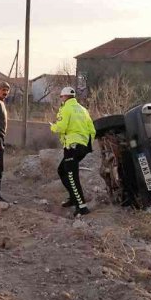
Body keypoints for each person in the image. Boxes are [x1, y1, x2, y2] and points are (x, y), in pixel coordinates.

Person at [50, 87, 96, 217]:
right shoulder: (83, 110)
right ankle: (73, 198)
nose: (61, 99)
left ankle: (82, 207)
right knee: (62, 170)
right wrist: (87, 145)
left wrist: (53, 127)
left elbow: (61, 127)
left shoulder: (65, 109)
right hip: (83, 146)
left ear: (64, 97)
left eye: (61, 97)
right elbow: (92, 130)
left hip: (72, 146)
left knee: (72, 176)